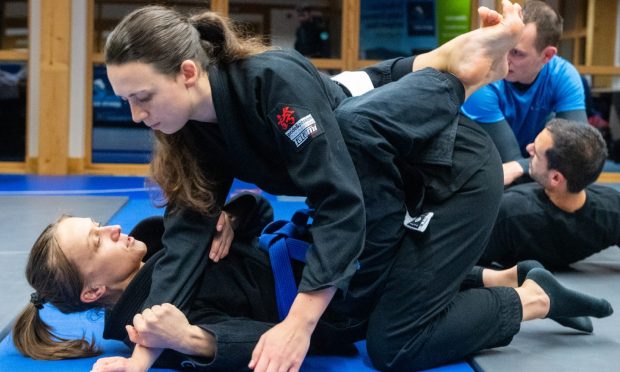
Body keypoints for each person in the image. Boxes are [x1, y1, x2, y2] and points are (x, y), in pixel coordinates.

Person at [98, 2, 546, 370]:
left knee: (396, 345)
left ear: (188, 72)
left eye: (144, 97)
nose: (137, 116)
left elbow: (339, 201)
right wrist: (141, 358)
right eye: (127, 101)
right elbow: (186, 240)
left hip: (450, 175)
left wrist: (299, 323)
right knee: (352, 123)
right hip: (386, 185)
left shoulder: (269, 83)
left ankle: (529, 299)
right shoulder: (192, 132)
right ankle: (448, 67)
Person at [12, 197, 612, 370]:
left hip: (325, 255)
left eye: (100, 225)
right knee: (389, 342)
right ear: (94, 292)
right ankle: (527, 295)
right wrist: (189, 340)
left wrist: (235, 215)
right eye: (97, 243)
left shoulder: (166, 233)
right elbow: (259, 340)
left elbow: (255, 207)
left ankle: (514, 284)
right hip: (330, 300)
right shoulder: (150, 325)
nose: (113, 231)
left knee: (396, 327)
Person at [461, 0, 588, 186]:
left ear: (547, 56)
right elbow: (508, 160)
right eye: (503, 46)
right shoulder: (483, 77)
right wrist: (536, 163)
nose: (504, 59)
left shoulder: (564, 75)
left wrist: (522, 166)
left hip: (531, 168)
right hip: (476, 171)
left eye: (516, 53)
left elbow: (578, 151)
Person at [480, 118, 620, 269]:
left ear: (555, 178)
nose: (528, 148)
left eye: (536, 153)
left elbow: (460, 268)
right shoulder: (612, 211)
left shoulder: (508, 213)